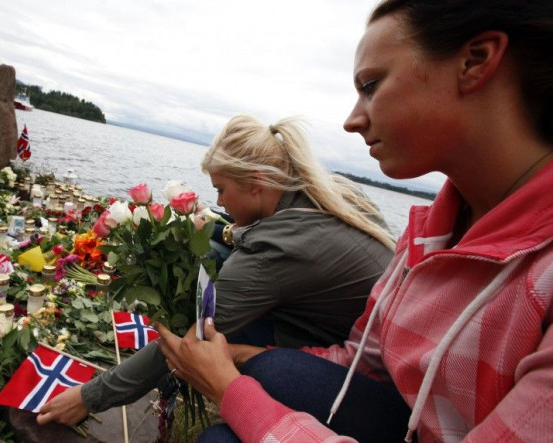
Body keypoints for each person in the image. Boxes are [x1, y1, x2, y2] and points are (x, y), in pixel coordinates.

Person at [156, 0, 553, 441]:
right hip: (404, 421)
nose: (352, 120)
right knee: (268, 370)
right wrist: (243, 356)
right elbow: (366, 362)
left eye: (371, 85)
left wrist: (228, 389)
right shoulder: (426, 236)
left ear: (475, 62)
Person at [37, 115, 396, 426]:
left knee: (208, 334)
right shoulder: (329, 193)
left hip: (367, 382)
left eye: (222, 189)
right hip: (372, 346)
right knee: (214, 252)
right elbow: (239, 235)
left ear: (256, 181)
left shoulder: (275, 251)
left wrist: (88, 397)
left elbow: (191, 340)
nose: (219, 202)